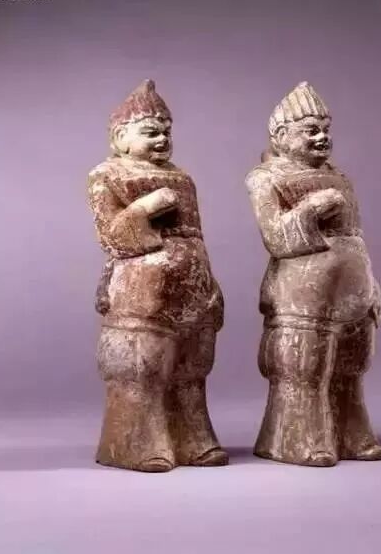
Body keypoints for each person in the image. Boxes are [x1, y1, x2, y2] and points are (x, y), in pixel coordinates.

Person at [87, 80, 227, 472]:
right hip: (142, 288)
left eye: (166, 131)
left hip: (193, 287)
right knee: (143, 368)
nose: (162, 139)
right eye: (150, 132)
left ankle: (193, 439)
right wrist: (144, 208)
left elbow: (196, 237)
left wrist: (209, 282)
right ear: (121, 137)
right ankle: (136, 444)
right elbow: (113, 237)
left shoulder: (182, 178)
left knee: (191, 369)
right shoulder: (106, 175)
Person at [246, 82, 381, 466]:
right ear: (280, 135)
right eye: (310, 130)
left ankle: (351, 435)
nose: (322, 137)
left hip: (351, 287)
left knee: (350, 367)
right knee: (303, 367)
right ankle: (299, 440)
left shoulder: (339, 177)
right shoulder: (266, 177)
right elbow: (276, 237)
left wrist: (371, 286)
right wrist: (312, 208)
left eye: (325, 129)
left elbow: (355, 236)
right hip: (302, 289)